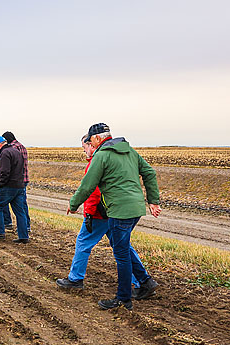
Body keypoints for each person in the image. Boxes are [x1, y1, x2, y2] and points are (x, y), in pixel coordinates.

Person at [68, 123, 161, 310]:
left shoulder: (101, 155)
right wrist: (153, 201)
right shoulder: (130, 152)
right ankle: (146, 282)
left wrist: (73, 204)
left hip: (119, 211)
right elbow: (149, 172)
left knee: (121, 255)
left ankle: (123, 299)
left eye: (91, 139)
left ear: (96, 139)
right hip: (135, 208)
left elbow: (87, 186)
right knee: (123, 247)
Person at [56, 134, 145, 294]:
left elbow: (93, 191)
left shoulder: (97, 161)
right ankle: (141, 280)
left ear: (92, 145)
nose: (85, 152)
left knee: (83, 243)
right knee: (123, 247)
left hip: (99, 214)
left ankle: (75, 279)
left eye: (85, 148)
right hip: (113, 212)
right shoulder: (115, 158)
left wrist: (88, 213)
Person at [0, 135, 30, 243]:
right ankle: (24, 236)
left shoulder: (5, 153)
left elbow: (5, 172)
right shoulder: (17, 152)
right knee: (20, 211)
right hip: (20, 186)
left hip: (8, 186)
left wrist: (1, 184)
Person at [2, 131, 30, 231]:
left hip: (15, 181)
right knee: (22, 203)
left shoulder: (11, 148)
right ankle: (26, 226)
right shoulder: (22, 146)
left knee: (3, 201)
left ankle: (7, 222)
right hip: (24, 178)